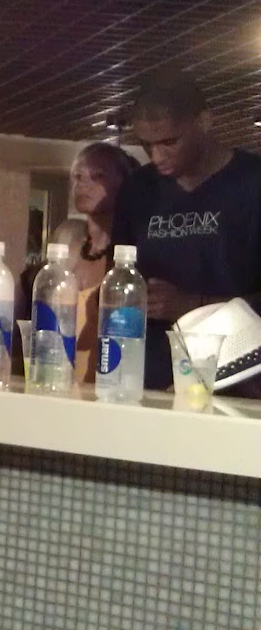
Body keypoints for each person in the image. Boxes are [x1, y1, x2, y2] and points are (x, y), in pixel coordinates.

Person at [111, 71, 261, 393]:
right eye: (147, 144)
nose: (157, 156)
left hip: (238, 381)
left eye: (169, 142)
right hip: (150, 377)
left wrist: (191, 304)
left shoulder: (253, 184)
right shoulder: (138, 190)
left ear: (204, 121)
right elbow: (119, 276)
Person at [60, 145, 140, 381]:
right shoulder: (69, 248)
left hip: (107, 383)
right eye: (77, 176)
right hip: (59, 380)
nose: (83, 184)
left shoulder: (129, 261)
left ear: (124, 182)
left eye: (98, 176)